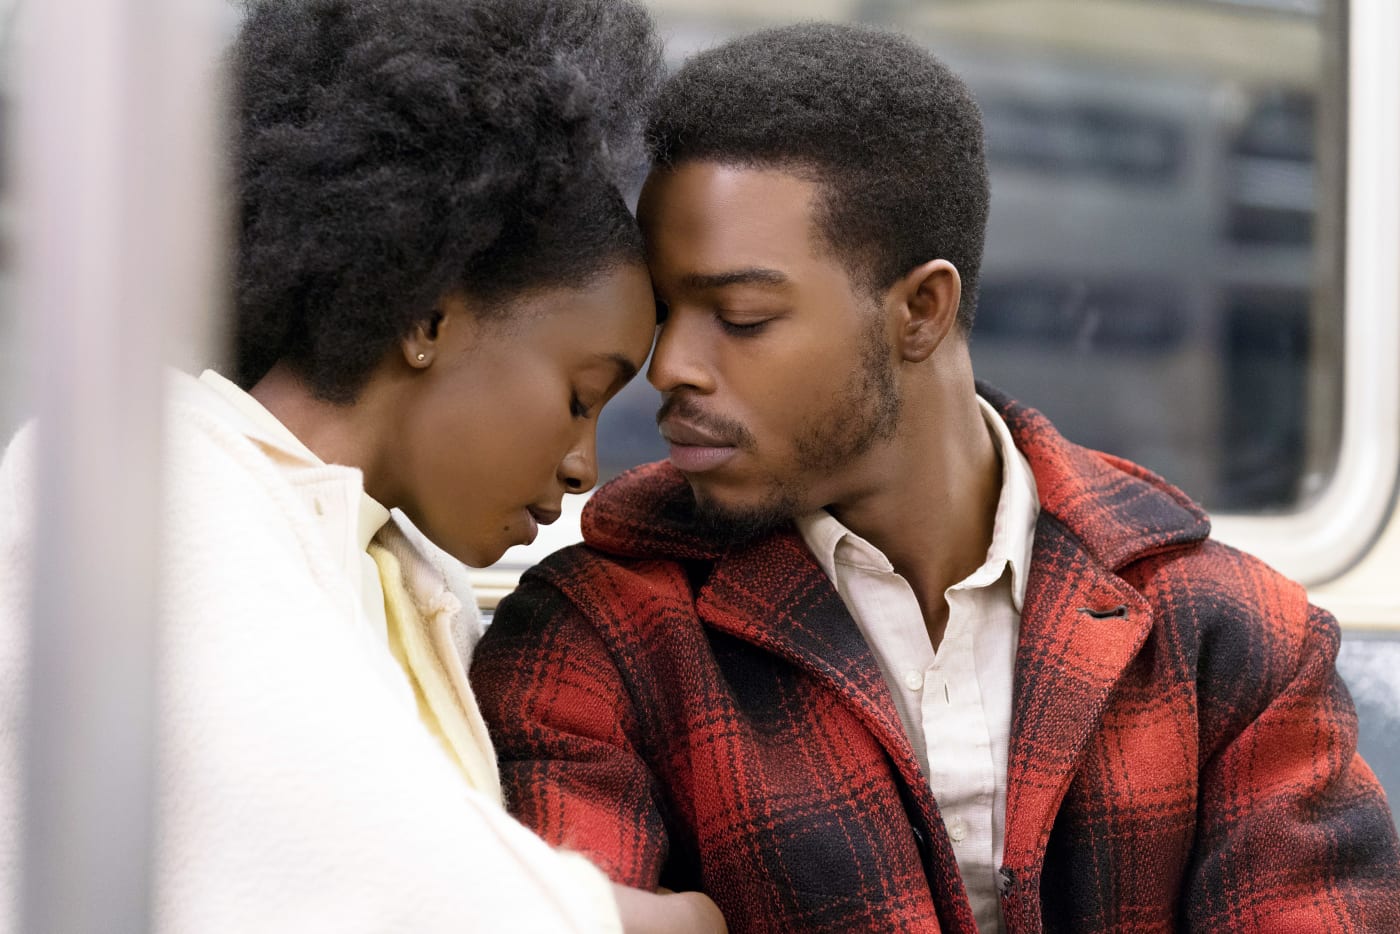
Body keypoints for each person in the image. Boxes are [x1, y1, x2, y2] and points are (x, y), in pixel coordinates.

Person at [470, 21, 1400, 934]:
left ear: (921, 310)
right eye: (666, 312)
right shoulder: (600, 634)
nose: (669, 365)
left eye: (742, 315)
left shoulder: (1230, 636)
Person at [0, 0, 724, 931]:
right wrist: (688, 919)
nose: (585, 465)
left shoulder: (389, 573)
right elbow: (421, 895)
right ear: (427, 321)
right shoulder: (147, 485)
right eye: (581, 397)